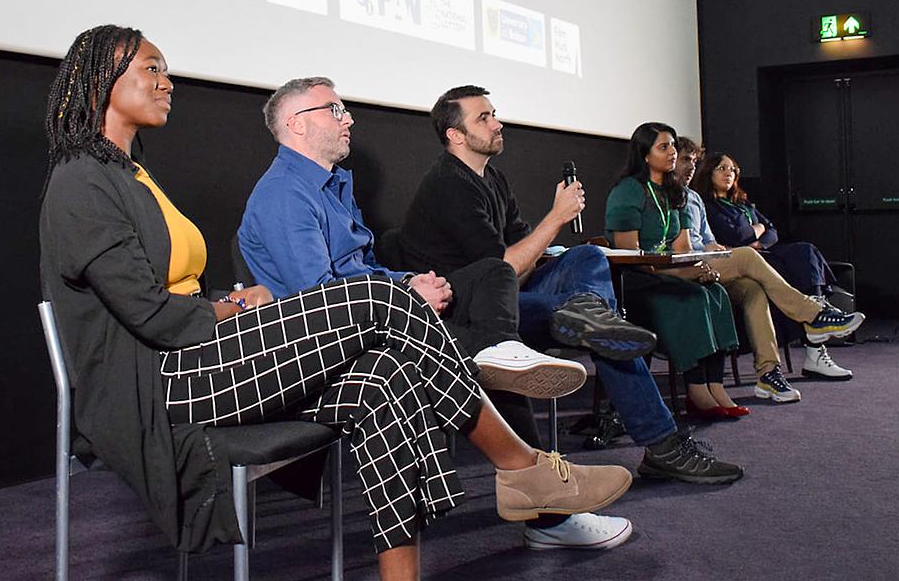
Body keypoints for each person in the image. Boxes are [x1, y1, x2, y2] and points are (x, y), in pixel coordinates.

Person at [38, 27, 631, 581]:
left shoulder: (132, 174)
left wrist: (225, 302)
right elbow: (150, 315)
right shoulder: (81, 181)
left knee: (384, 378)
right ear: (100, 82)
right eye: (151, 68)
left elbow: (165, 292)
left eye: (167, 69)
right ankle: (522, 465)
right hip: (161, 382)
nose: (168, 80)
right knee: (378, 298)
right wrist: (233, 309)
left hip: (198, 356)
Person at [239, 77, 633, 552]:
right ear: (296, 125)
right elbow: (320, 296)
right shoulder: (285, 193)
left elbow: (362, 270)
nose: (349, 118)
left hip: (377, 314)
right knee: (476, 360)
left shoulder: (333, 186)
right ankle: (544, 502)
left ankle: (501, 360)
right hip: (328, 346)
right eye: (335, 110)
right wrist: (405, 293)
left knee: (491, 274)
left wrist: (408, 281)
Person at [398, 86, 744, 490]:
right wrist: (557, 217)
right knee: (605, 334)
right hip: (474, 314)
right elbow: (502, 268)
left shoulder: (492, 177)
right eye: (484, 118)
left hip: (513, 292)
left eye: (494, 114)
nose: (498, 123)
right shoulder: (448, 185)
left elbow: (527, 250)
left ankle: (586, 312)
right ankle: (662, 445)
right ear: (455, 135)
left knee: (590, 263)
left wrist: (562, 257)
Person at [675, 138, 863, 397]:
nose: (690, 167)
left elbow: (716, 238)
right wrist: (747, 235)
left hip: (718, 261)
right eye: (685, 160)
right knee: (751, 258)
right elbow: (734, 235)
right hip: (689, 266)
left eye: (694, 161)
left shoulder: (696, 198)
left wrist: (716, 245)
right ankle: (815, 315)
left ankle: (768, 373)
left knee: (761, 284)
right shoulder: (686, 199)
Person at [605, 122, 751, 428]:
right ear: (645, 155)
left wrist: (696, 269)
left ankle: (716, 385)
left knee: (716, 293)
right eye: (664, 147)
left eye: (673, 146)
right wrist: (684, 275)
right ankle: (696, 390)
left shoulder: (676, 192)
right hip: (637, 280)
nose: (672, 152)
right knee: (694, 296)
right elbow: (628, 255)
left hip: (670, 273)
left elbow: (683, 246)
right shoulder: (628, 191)